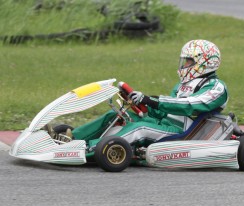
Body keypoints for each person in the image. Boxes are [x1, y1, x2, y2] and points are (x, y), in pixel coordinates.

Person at [72, 39, 229, 148]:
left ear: (204, 63)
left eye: (188, 61)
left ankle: (88, 148)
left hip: (183, 132)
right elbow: (165, 111)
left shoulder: (216, 87)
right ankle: (71, 138)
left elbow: (190, 106)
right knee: (115, 115)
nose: (185, 65)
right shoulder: (182, 85)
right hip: (163, 124)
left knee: (139, 128)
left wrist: (153, 100)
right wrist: (144, 103)